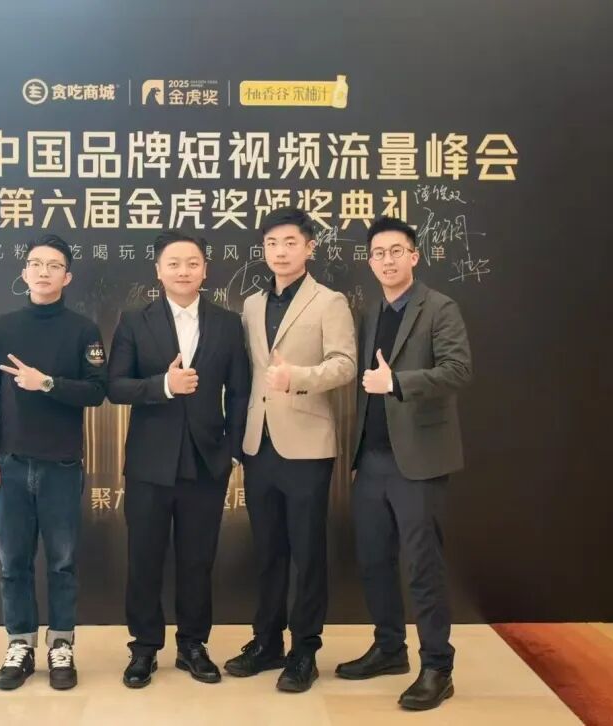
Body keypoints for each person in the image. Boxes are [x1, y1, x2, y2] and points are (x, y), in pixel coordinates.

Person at [334, 215, 472, 712]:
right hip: (371, 459)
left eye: (396, 251)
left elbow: (458, 370)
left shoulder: (439, 307)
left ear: (414, 256)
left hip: (418, 461)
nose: (387, 260)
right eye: (378, 253)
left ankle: (437, 667)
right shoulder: (372, 311)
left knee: (422, 565)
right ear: (370, 262)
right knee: (374, 559)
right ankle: (389, 648)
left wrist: (397, 383)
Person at [107, 230, 250, 688]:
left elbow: (242, 391)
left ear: (205, 269)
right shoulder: (135, 321)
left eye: (192, 263)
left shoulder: (228, 323)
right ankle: (144, 648)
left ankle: (193, 644)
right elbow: (115, 386)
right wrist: (163, 386)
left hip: (206, 462)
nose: (183, 271)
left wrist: (232, 449)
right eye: (173, 263)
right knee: (144, 558)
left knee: (197, 560)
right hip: (150, 462)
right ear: (158, 271)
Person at [224, 207, 356, 693]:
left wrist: (296, 377)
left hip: (306, 444)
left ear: (309, 247)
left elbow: (345, 364)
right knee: (268, 550)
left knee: (307, 551)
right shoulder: (252, 304)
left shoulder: (329, 302)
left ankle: (305, 650)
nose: (280, 252)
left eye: (290, 242)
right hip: (259, 443)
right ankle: (267, 642)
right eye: (272, 243)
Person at [0, 234, 107, 691]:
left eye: (54, 265)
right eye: (36, 263)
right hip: (10, 464)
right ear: (24, 272)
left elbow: (97, 391)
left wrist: (46, 382)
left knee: (62, 563)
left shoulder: (83, 330)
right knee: (13, 561)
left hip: (62, 465)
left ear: (67, 277)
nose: (44, 271)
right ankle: (20, 644)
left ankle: (62, 644)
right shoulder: (1, 327)